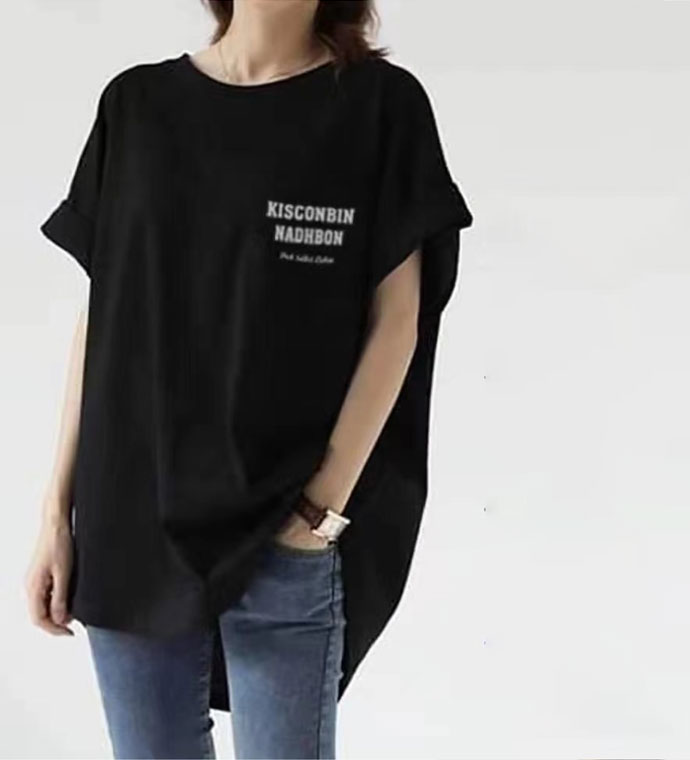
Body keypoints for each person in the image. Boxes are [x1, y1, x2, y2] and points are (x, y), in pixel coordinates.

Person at [25, 0, 474, 757]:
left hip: (282, 527)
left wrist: (317, 511)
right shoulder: (136, 106)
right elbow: (105, 318)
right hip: (130, 522)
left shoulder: (379, 108)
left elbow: (397, 322)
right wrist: (55, 513)